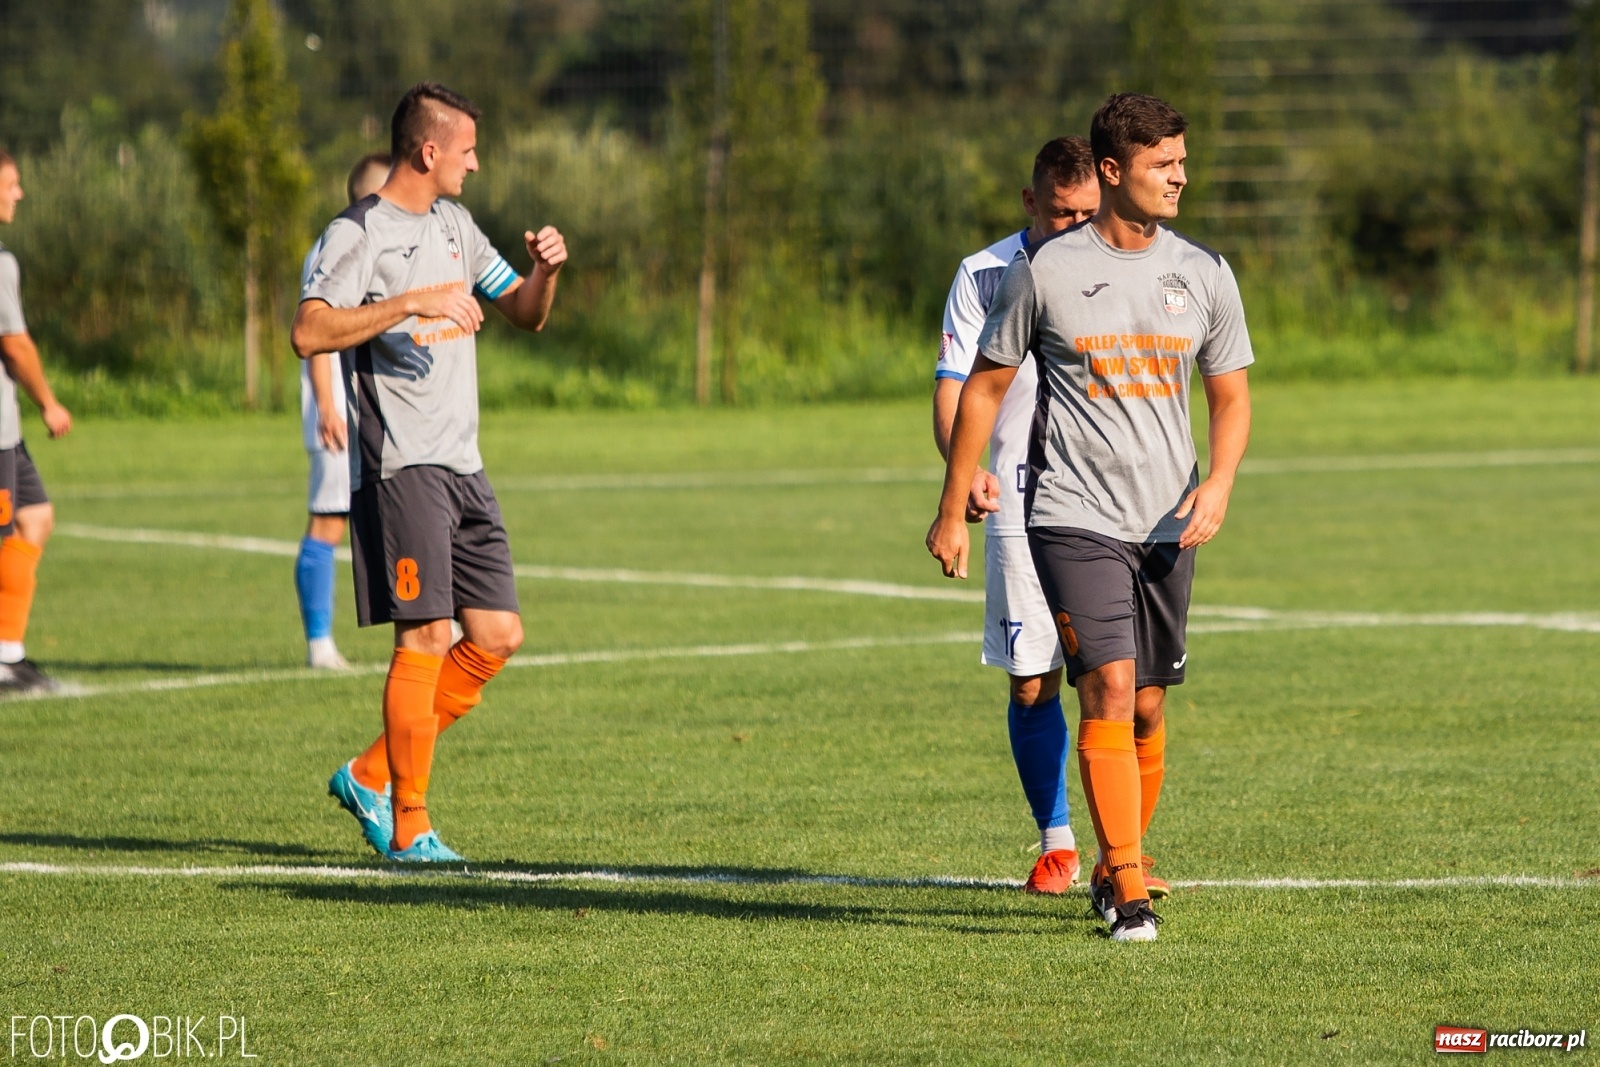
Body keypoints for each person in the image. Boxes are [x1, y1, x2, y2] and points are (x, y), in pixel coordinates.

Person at [925, 93, 1254, 941]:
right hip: (1069, 511)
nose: (1181, 176)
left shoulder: (1206, 272)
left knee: (1146, 703)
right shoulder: (1043, 270)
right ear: (1115, 171)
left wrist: (1217, 482)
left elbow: (1231, 395)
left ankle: (1115, 860)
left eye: (1183, 160)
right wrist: (951, 503)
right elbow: (982, 388)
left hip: (1168, 521)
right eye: (1163, 164)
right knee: (1102, 685)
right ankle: (1129, 890)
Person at [292, 83, 567, 862]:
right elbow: (308, 330)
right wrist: (408, 302)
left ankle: (369, 772)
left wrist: (546, 272)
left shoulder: (455, 223)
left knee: (497, 634)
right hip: (401, 464)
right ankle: (410, 821)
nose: (476, 164)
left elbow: (525, 311)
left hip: (465, 465)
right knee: (425, 637)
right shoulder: (358, 232)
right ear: (429, 150)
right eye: (469, 150)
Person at [933, 137, 1098, 895]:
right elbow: (956, 390)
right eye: (1062, 213)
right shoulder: (983, 275)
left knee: (1116, 679)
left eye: (1087, 213)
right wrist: (963, 480)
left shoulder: (1116, 264)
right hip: (1019, 499)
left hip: (1105, 499)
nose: (1075, 228)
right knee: (1033, 681)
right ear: (1031, 203)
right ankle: (1058, 841)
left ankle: (1126, 847)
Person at [294, 152, 391, 671]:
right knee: (328, 522)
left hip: (369, 409)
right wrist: (328, 405)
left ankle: (441, 618)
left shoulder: (376, 244)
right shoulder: (335, 247)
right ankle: (320, 645)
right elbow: (315, 335)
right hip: (337, 412)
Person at [0, 151, 73, 696]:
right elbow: (16, 344)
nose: (19, 194)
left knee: (35, 518)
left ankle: (8, 652)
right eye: (11, 184)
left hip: (8, 430)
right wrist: (48, 401)